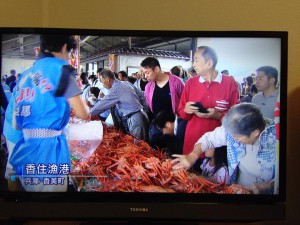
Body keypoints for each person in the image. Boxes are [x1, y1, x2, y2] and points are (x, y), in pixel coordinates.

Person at [7, 35, 90, 192]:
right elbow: (82, 113)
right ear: (65, 47)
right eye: (70, 53)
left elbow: (16, 124)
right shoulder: (62, 70)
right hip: (48, 153)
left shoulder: (25, 75)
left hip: (24, 148)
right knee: (51, 209)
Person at [172, 103, 277, 194]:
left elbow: (287, 178)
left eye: (237, 137)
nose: (233, 139)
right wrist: (192, 156)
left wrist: (263, 186)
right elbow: (208, 139)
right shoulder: (235, 127)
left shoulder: (277, 140)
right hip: (237, 188)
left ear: (255, 133)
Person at [178, 46, 240, 165]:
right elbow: (182, 113)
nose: (193, 64)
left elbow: (236, 119)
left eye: (196, 60)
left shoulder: (230, 84)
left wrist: (219, 115)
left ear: (209, 63)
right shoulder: (190, 83)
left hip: (218, 149)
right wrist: (186, 110)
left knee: (216, 182)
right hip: (192, 146)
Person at [90, 69, 149, 141]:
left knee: (139, 145)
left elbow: (102, 105)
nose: (102, 84)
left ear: (108, 79)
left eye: (102, 81)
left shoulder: (115, 89)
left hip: (135, 119)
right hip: (140, 116)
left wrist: (87, 114)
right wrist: (143, 111)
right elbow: (142, 96)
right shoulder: (126, 83)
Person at [141, 57, 185, 149]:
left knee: (172, 153)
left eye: (147, 73)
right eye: (144, 73)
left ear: (156, 69)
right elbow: (150, 106)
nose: (145, 76)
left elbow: (185, 102)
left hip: (173, 127)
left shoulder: (176, 82)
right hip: (157, 126)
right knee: (155, 152)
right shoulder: (149, 86)